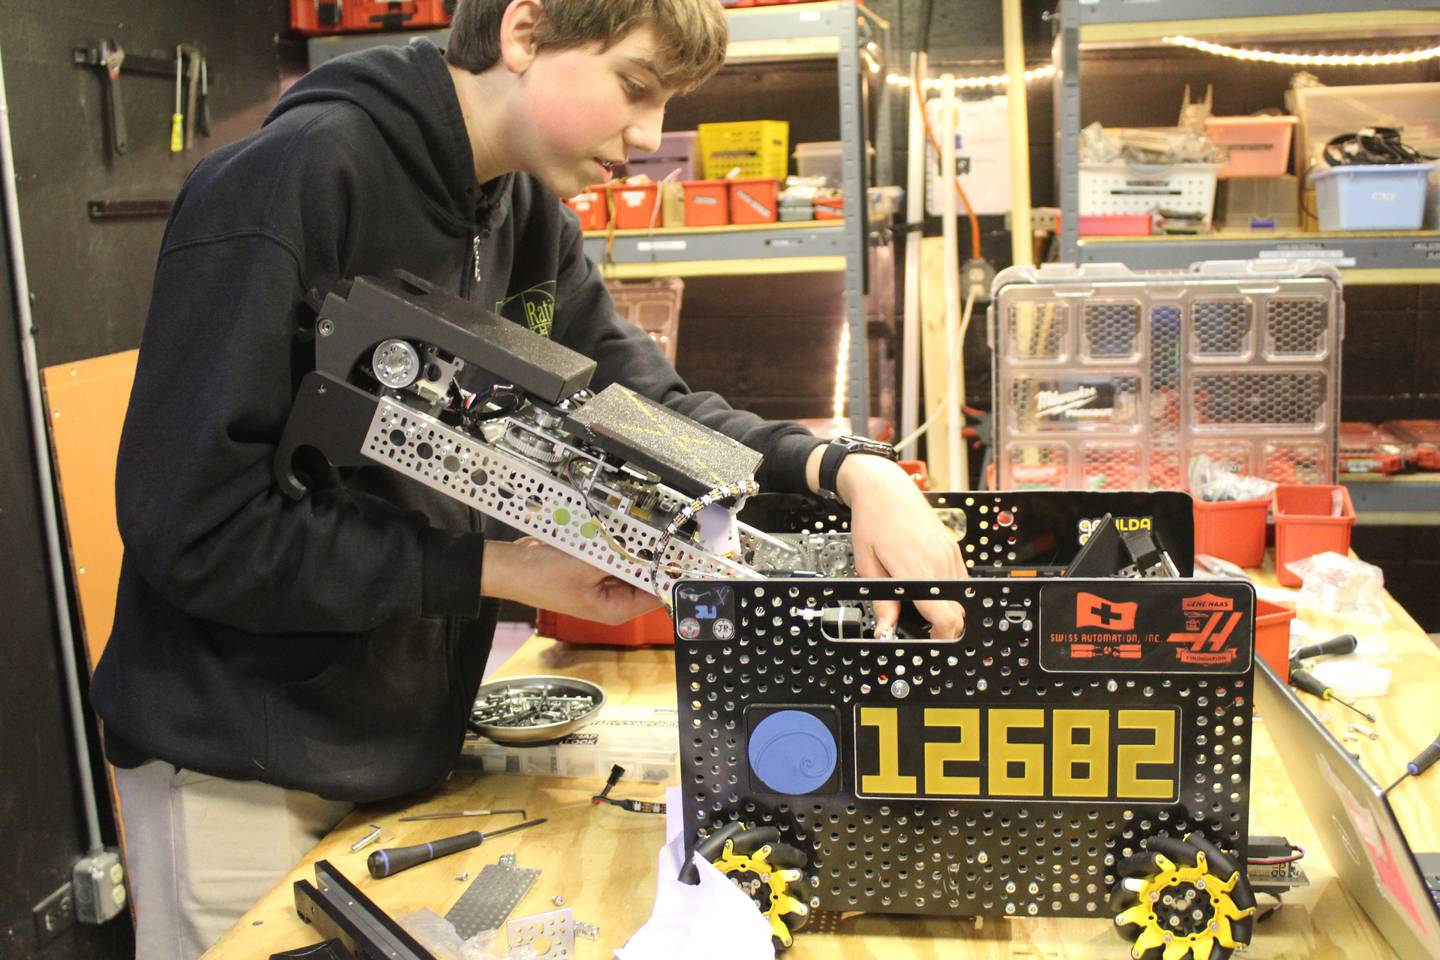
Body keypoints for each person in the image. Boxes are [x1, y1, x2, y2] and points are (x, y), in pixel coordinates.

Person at [89, 1, 966, 956]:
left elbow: (647, 410)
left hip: (393, 747)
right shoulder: (292, 180)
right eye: (636, 88)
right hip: (240, 768)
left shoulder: (518, 214)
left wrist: (851, 473)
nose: (647, 138)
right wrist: (494, 571)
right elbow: (198, 528)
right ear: (524, 32)